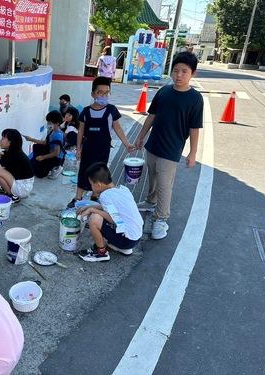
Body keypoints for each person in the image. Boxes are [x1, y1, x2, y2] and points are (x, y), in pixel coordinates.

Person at [134, 51, 203, 240]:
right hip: (153, 145)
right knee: (153, 177)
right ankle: (150, 201)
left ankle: (161, 219)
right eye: (175, 71)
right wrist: (141, 136)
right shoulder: (164, 91)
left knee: (165, 185)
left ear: (192, 74)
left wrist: (192, 153)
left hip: (172, 150)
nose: (179, 75)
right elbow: (152, 116)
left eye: (184, 71)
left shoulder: (195, 99)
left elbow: (194, 128)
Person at [67, 76, 135, 208]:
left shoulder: (111, 110)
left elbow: (118, 128)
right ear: (93, 94)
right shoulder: (86, 111)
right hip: (88, 149)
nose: (104, 95)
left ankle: (95, 197)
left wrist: (127, 144)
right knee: (83, 172)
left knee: (99, 173)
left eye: (106, 92)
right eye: (100, 92)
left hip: (103, 149)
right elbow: (80, 131)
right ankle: (77, 198)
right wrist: (79, 148)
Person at [76, 163, 143, 262]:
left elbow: (113, 219)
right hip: (135, 237)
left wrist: (92, 210)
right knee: (98, 213)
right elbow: (110, 209)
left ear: (98, 184)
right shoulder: (123, 189)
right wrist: (90, 206)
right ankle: (123, 248)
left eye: (91, 185)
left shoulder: (105, 196)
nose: (91, 188)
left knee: (94, 218)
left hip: (126, 240)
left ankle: (101, 253)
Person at [0, 127, 34, 203]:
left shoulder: (11, 155)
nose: (0, 140)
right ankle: (8, 189)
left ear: (10, 142)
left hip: (23, 188)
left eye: (3, 138)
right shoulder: (13, 152)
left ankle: (12, 195)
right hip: (25, 185)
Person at [25, 110, 65, 179]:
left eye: (50, 122)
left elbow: (56, 153)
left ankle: (56, 167)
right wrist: (31, 139)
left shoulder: (58, 135)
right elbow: (45, 142)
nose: (49, 124)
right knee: (36, 147)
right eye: (48, 122)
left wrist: (43, 157)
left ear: (57, 123)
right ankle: (47, 165)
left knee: (39, 174)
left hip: (56, 158)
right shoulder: (53, 131)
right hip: (50, 151)